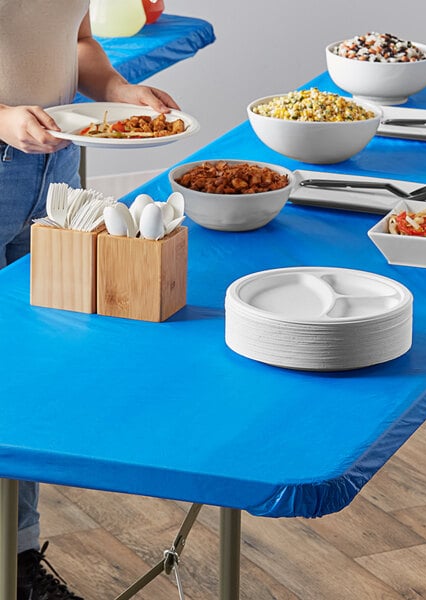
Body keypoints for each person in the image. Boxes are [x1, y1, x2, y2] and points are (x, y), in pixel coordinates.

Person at [0, 2, 180, 598]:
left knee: (25, 371)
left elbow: (75, 40)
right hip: (10, 148)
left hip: (53, 165)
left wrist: (119, 90)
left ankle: (17, 560)